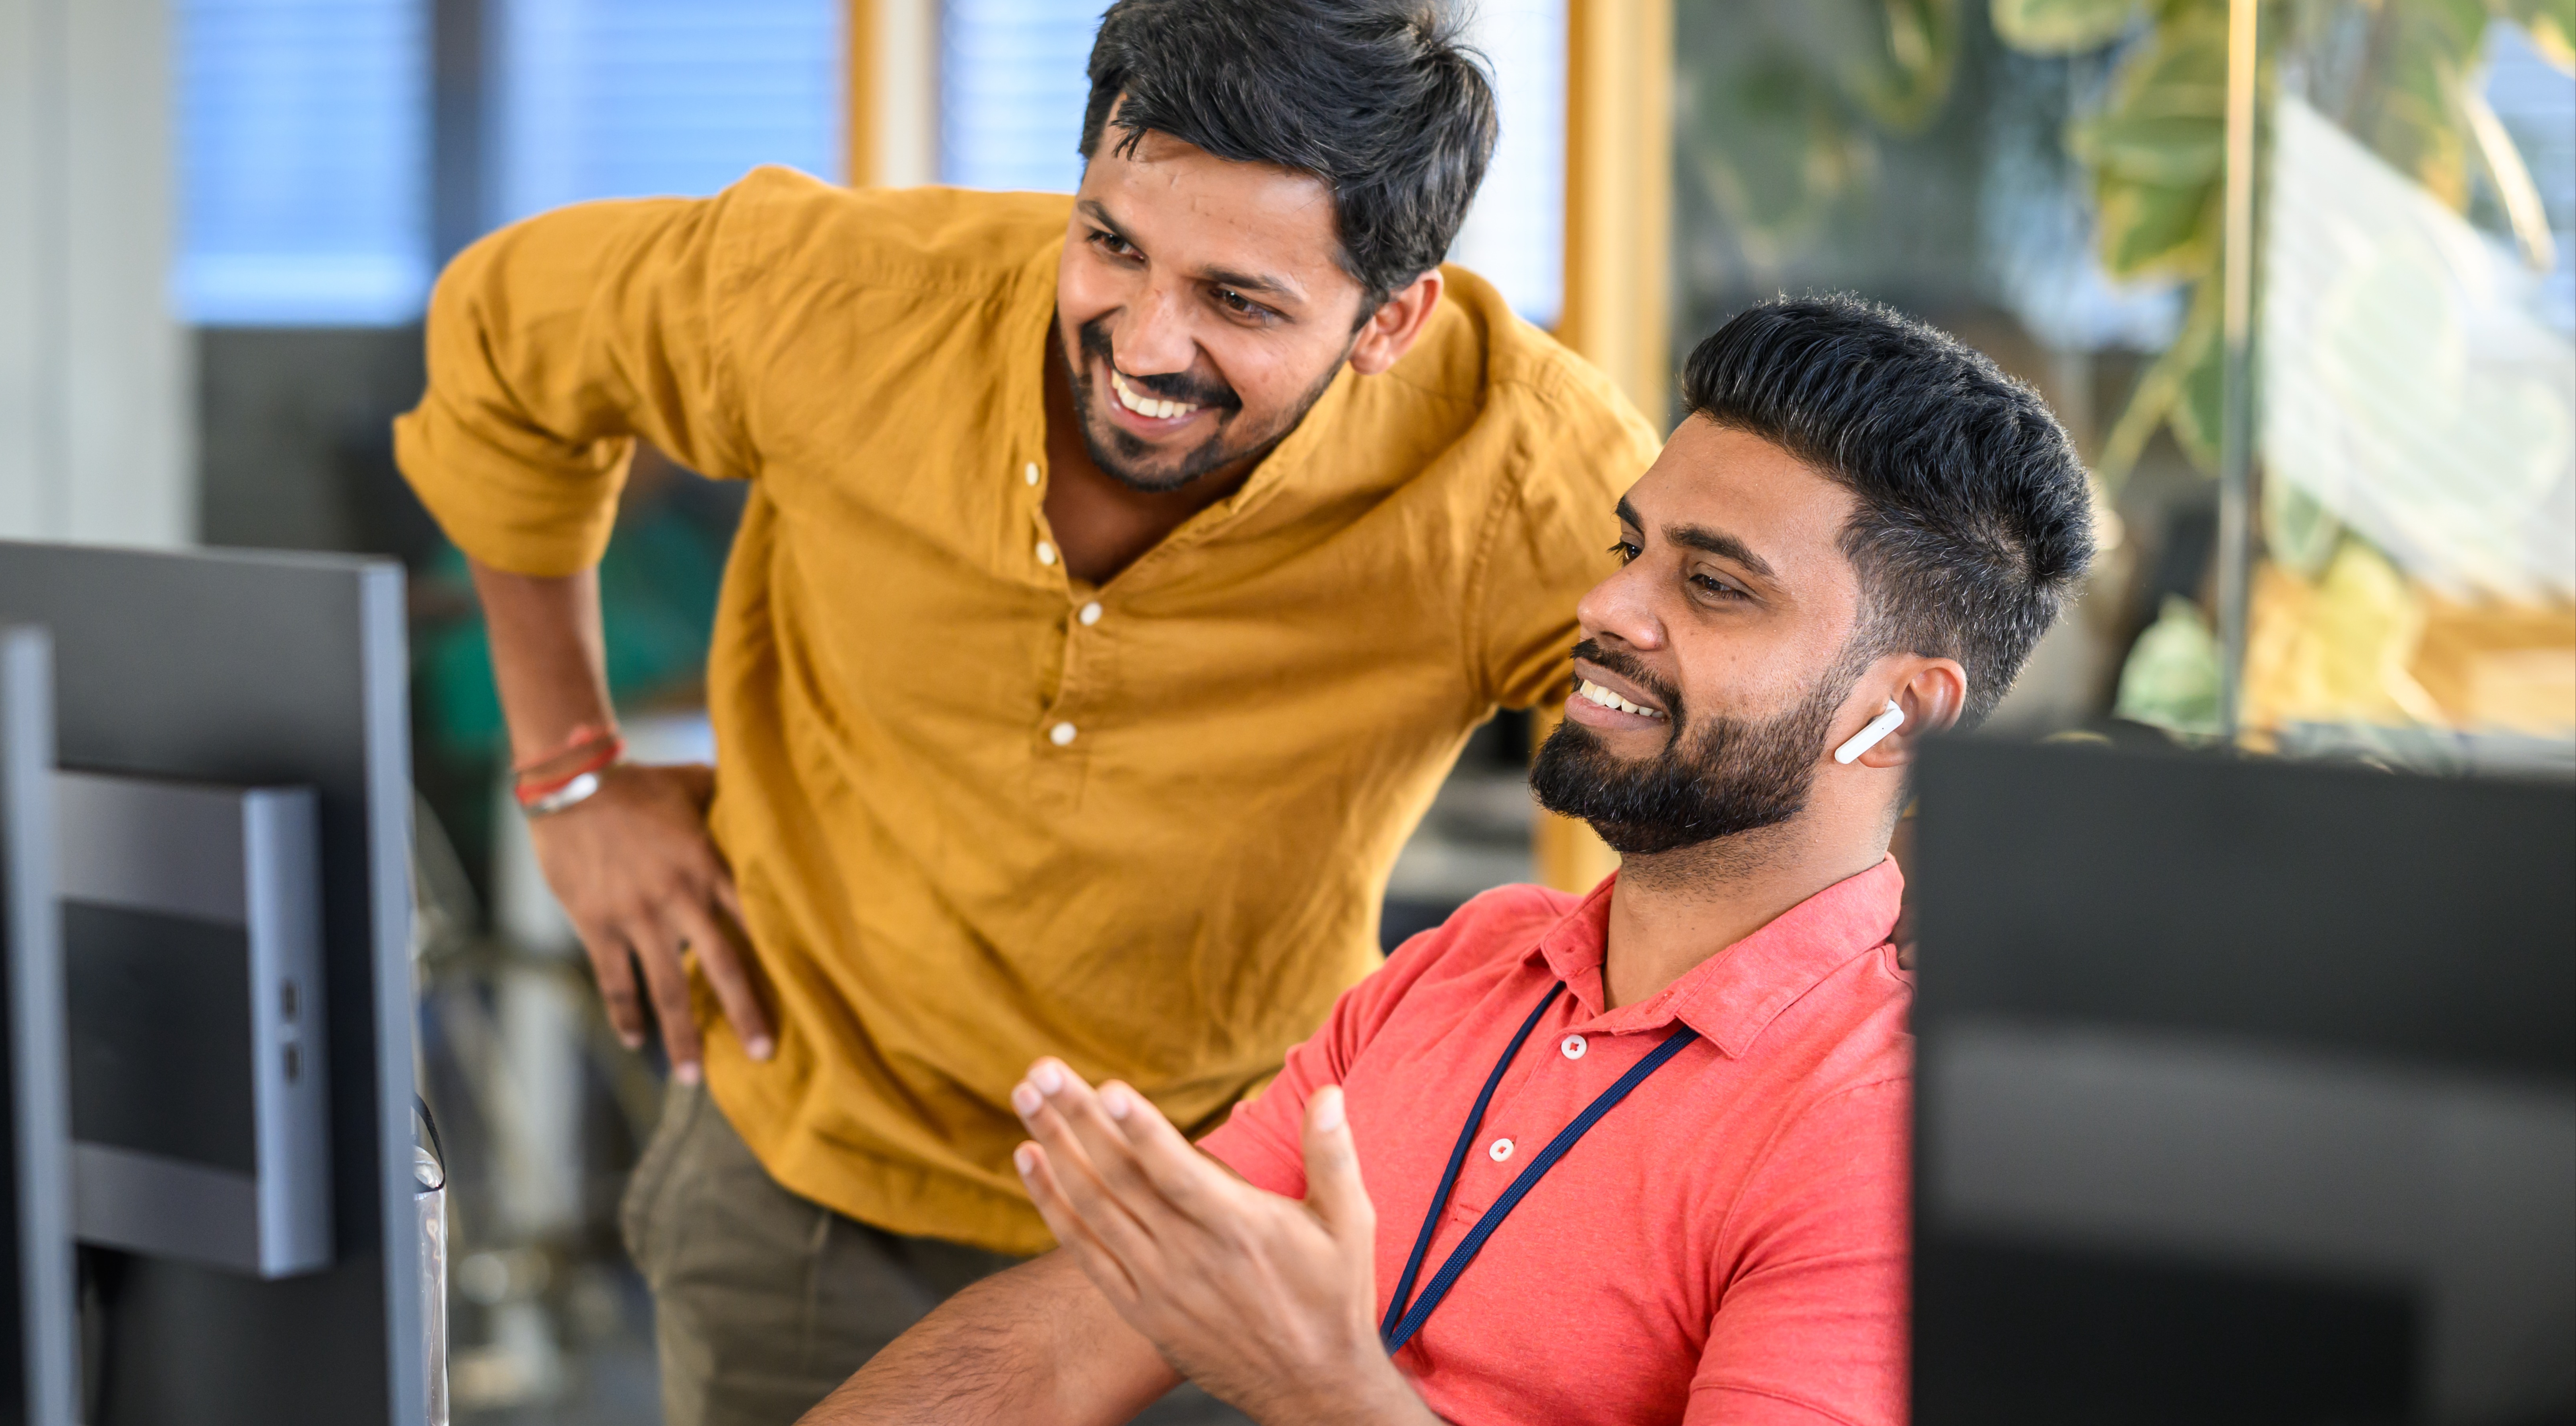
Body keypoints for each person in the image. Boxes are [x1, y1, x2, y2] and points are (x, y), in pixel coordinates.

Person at [392, 2, 1655, 1419]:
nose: (1146, 344)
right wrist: (568, 771)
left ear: (1390, 319)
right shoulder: (842, 297)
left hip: (1218, 1209)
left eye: (1239, 302)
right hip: (803, 1171)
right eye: (1111, 242)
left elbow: (1725, 741)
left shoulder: (1520, 468)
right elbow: (504, 346)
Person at [801, 295, 2100, 1426]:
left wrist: (1328, 1390)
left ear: (1904, 712)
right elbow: (1058, 1343)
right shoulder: (1466, 963)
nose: (1605, 606)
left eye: (1713, 586)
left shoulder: (1882, 1131)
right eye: (1630, 549)